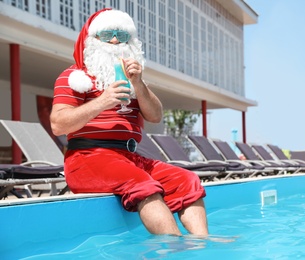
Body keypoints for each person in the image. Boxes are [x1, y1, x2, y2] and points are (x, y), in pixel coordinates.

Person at [50, 8, 208, 237]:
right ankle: (174, 251)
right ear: (92, 39)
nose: (115, 40)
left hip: (130, 158)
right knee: (143, 184)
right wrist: (102, 102)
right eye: (107, 34)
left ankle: (204, 247)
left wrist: (140, 84)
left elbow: (155, 115)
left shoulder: (133, 80)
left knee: (187, 179)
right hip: (87, 158)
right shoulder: (74, 77)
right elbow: (58, 124)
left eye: (122, 35)